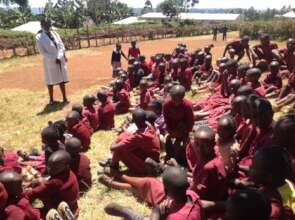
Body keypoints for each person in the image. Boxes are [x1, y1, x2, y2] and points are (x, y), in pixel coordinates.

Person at [103, 167, 204, 220]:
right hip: (172, 202)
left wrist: (160, 215)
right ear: (187, 186)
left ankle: (130, 214)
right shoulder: (192, 195)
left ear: (166, 190)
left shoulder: (175, 217)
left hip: (167, 211)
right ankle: (119, 178)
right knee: (150, 182)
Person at [100, 109, 160, 175]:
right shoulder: (149, 125)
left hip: (147, 166)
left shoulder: (139, 136)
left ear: (134, 121)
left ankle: (113, 167)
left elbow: (112, 148)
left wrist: (117, 140)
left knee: (119, 149)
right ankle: (112, 162)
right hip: (153, 159)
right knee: (126, 143)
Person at [24, 150, 79, 218]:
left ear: (66, 166)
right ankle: (65, 211)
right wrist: (41, 181)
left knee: (34, 211)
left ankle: (55, 215)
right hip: (74, 207)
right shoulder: (70, 173)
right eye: (49, 166)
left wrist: (24, 192)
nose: (50, 170)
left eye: (55, 168)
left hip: (58, 207)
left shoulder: (55, 182)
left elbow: (33, 193)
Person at [249, 147, 295, 219]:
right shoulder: (287, 183)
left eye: (252, 167)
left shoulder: (267, 203)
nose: (249, 167)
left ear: (268, 177)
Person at [36, 18, 69, 105]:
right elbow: (43, 53)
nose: (48, 26)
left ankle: (65, 98)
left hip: (60, 59)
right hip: (50, 62)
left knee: (62, 79)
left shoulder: (55, 33)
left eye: (49, 24)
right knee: (50, 80)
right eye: (46, 25)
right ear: (42, 25)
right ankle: (51, 99)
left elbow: (61, 45)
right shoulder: (39, 37)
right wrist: (54, 58)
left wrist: (61, 56)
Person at [163, 85, 194, 165]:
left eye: (177, 98)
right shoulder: (167, 105)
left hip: (183, 129)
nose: (174, 101)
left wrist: (187, 133)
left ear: (182, 97)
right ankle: (170, 156)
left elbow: (190, 121)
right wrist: (170, 131)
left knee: (184, 146)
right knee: (167, 141)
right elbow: (166, 119)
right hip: (172, 128)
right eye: (172, 98)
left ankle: (178, 160)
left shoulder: (187, 106)